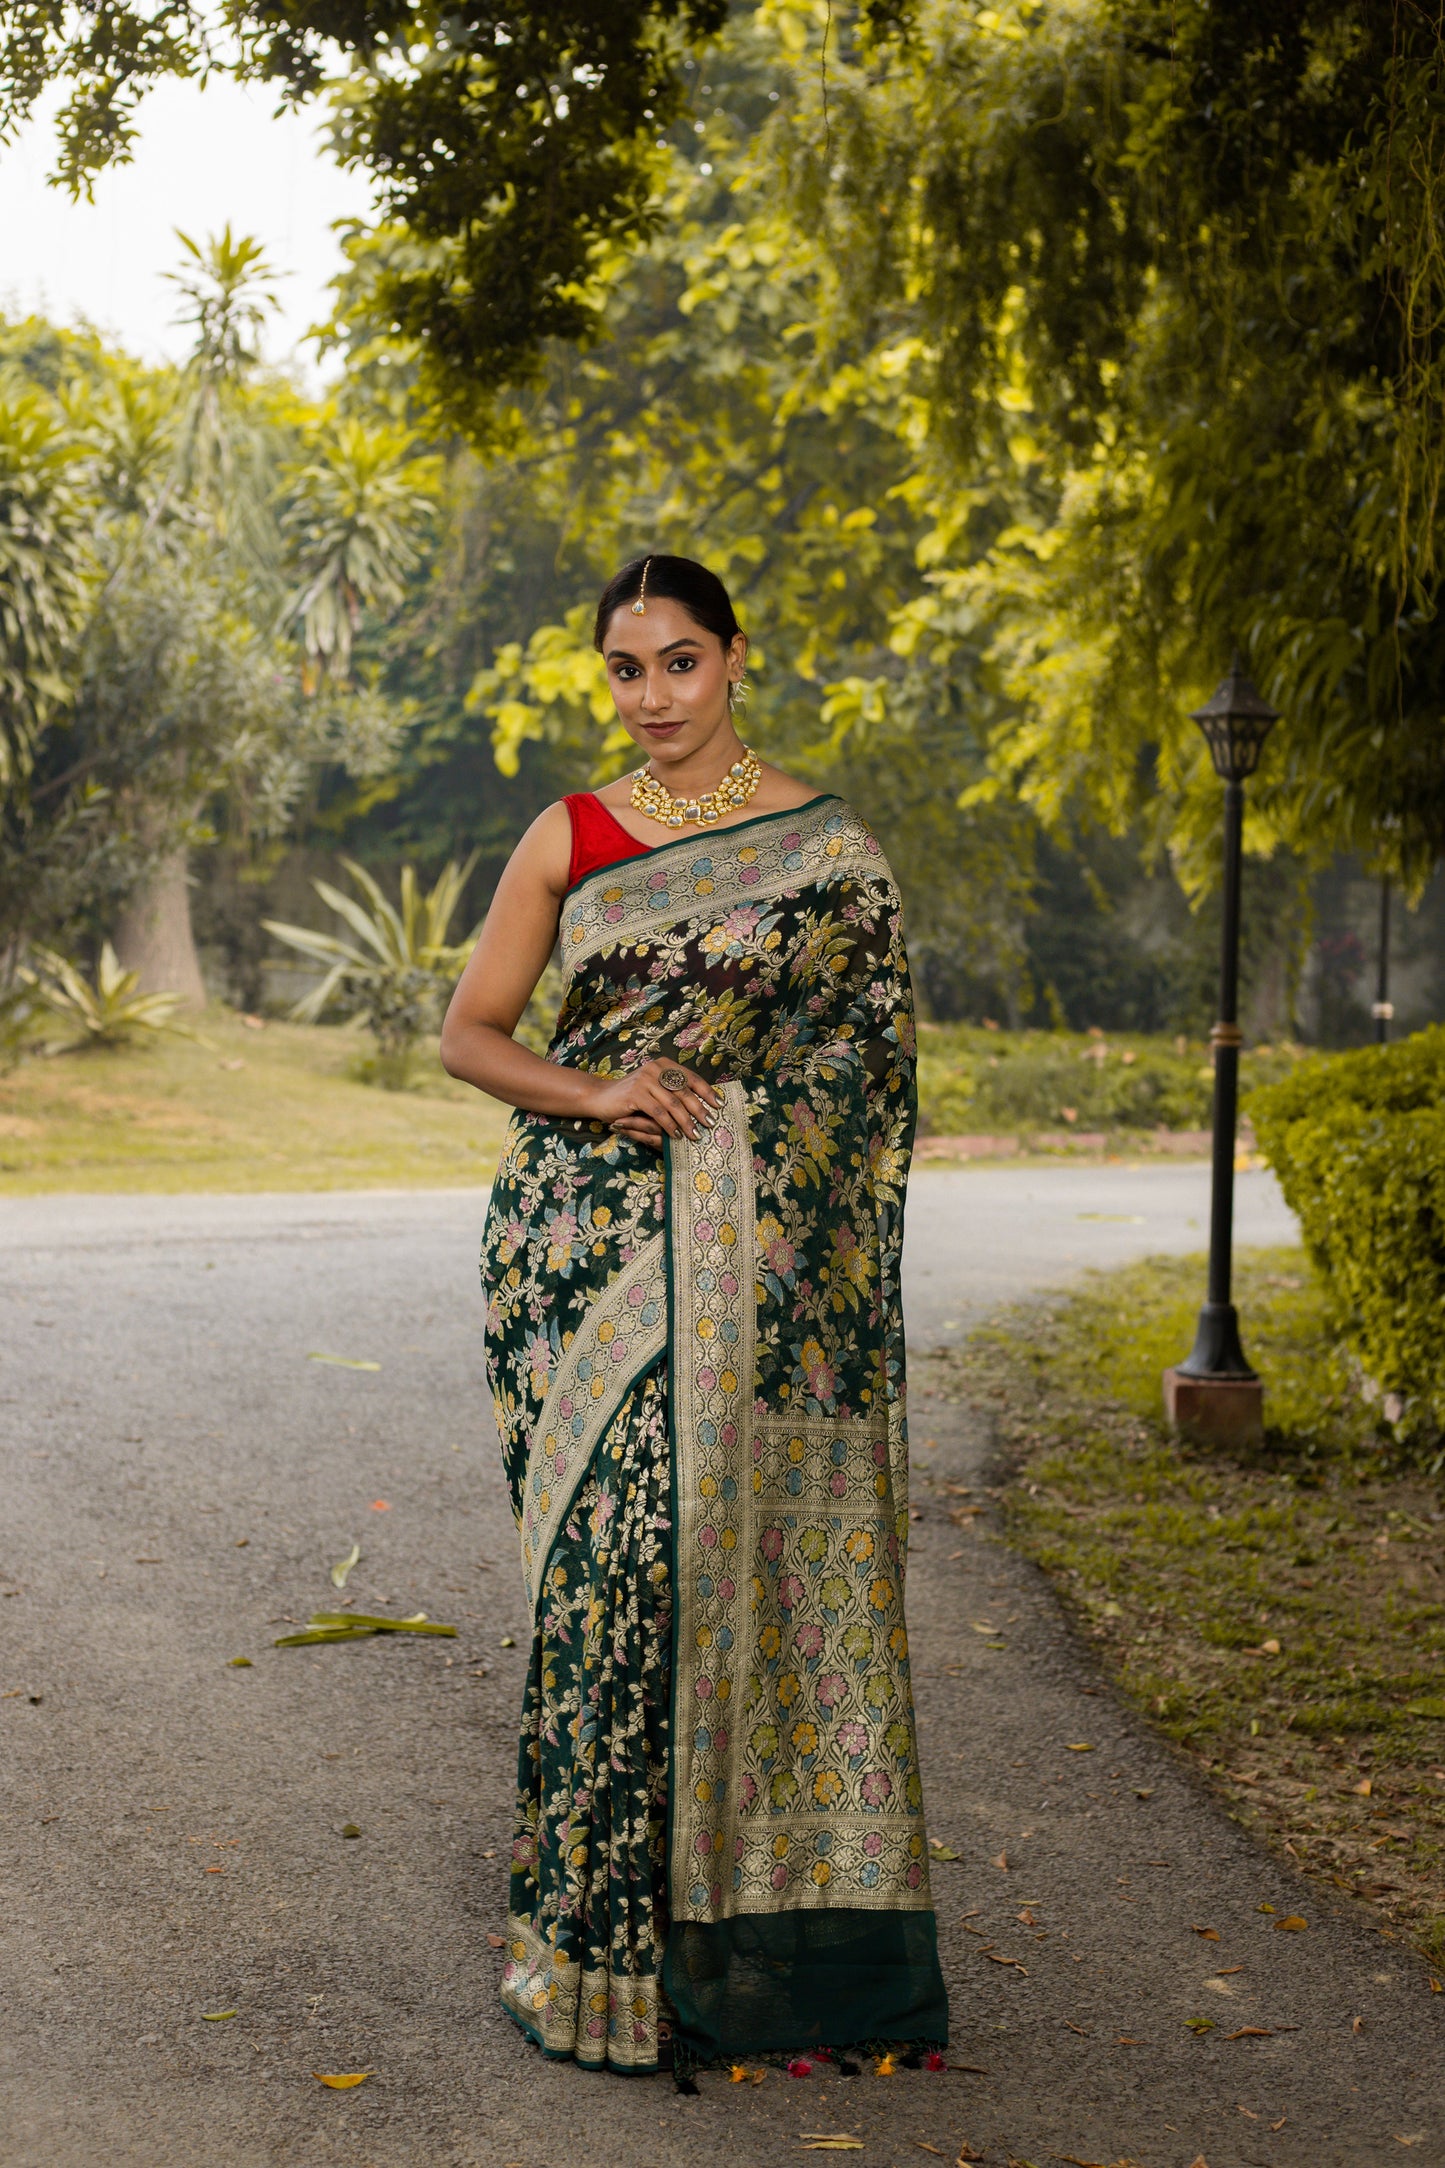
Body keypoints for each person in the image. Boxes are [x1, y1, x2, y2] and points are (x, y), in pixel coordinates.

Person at [440, 553, 948, 2082]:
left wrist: (729, 1148)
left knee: (704, 1579)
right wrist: (600, 1090)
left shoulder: (827, 851)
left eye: (678, 662)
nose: (651, 696)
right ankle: (590, 1959)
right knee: (606, 1591)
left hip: (749, 1273)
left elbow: (863, 1072)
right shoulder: (570, 832)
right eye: (625, 669)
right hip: (572, 1260)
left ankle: (732, 1947)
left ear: (735, 658)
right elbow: (470, 1035)